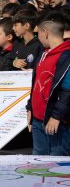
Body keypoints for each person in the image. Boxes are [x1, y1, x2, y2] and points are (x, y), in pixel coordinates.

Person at [26, 11, 70, 155]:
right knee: (38, 162)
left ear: (45, 32)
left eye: (38, 32)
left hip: (57, 123)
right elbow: (37, 84)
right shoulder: (43, 54)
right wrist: (30, 107)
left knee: (56, 165)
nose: (37, 37)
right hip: (38, 120)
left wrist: (56, 116)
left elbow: (67, 90)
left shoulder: (66, 56)